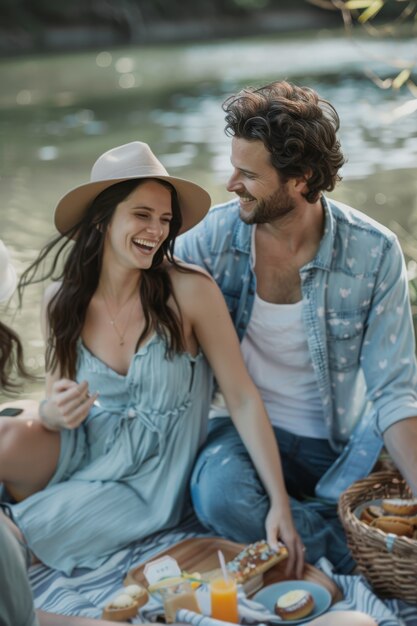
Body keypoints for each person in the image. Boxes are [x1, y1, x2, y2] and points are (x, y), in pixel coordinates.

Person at [0, 140, 305, 578]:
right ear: (102, 219)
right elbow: (54, 401)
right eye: (142, 215)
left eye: (165, 219)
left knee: (17, 537)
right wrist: (51, 410)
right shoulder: (60, 302)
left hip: (150, 475)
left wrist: (279, 503)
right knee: (5, 433)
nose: (157, 230)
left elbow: (241, 398)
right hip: (84, 444)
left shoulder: (189, 292)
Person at [176, 80, 417, 573]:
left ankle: (326, 533)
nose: (230, 185)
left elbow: (395, 391)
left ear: (302, 178)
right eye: (233, 168)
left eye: (247, 174)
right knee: (219, 496)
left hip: (342, 449)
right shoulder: (210, 240)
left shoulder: (374, 252)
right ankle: (364, 550)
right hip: (245, 434)